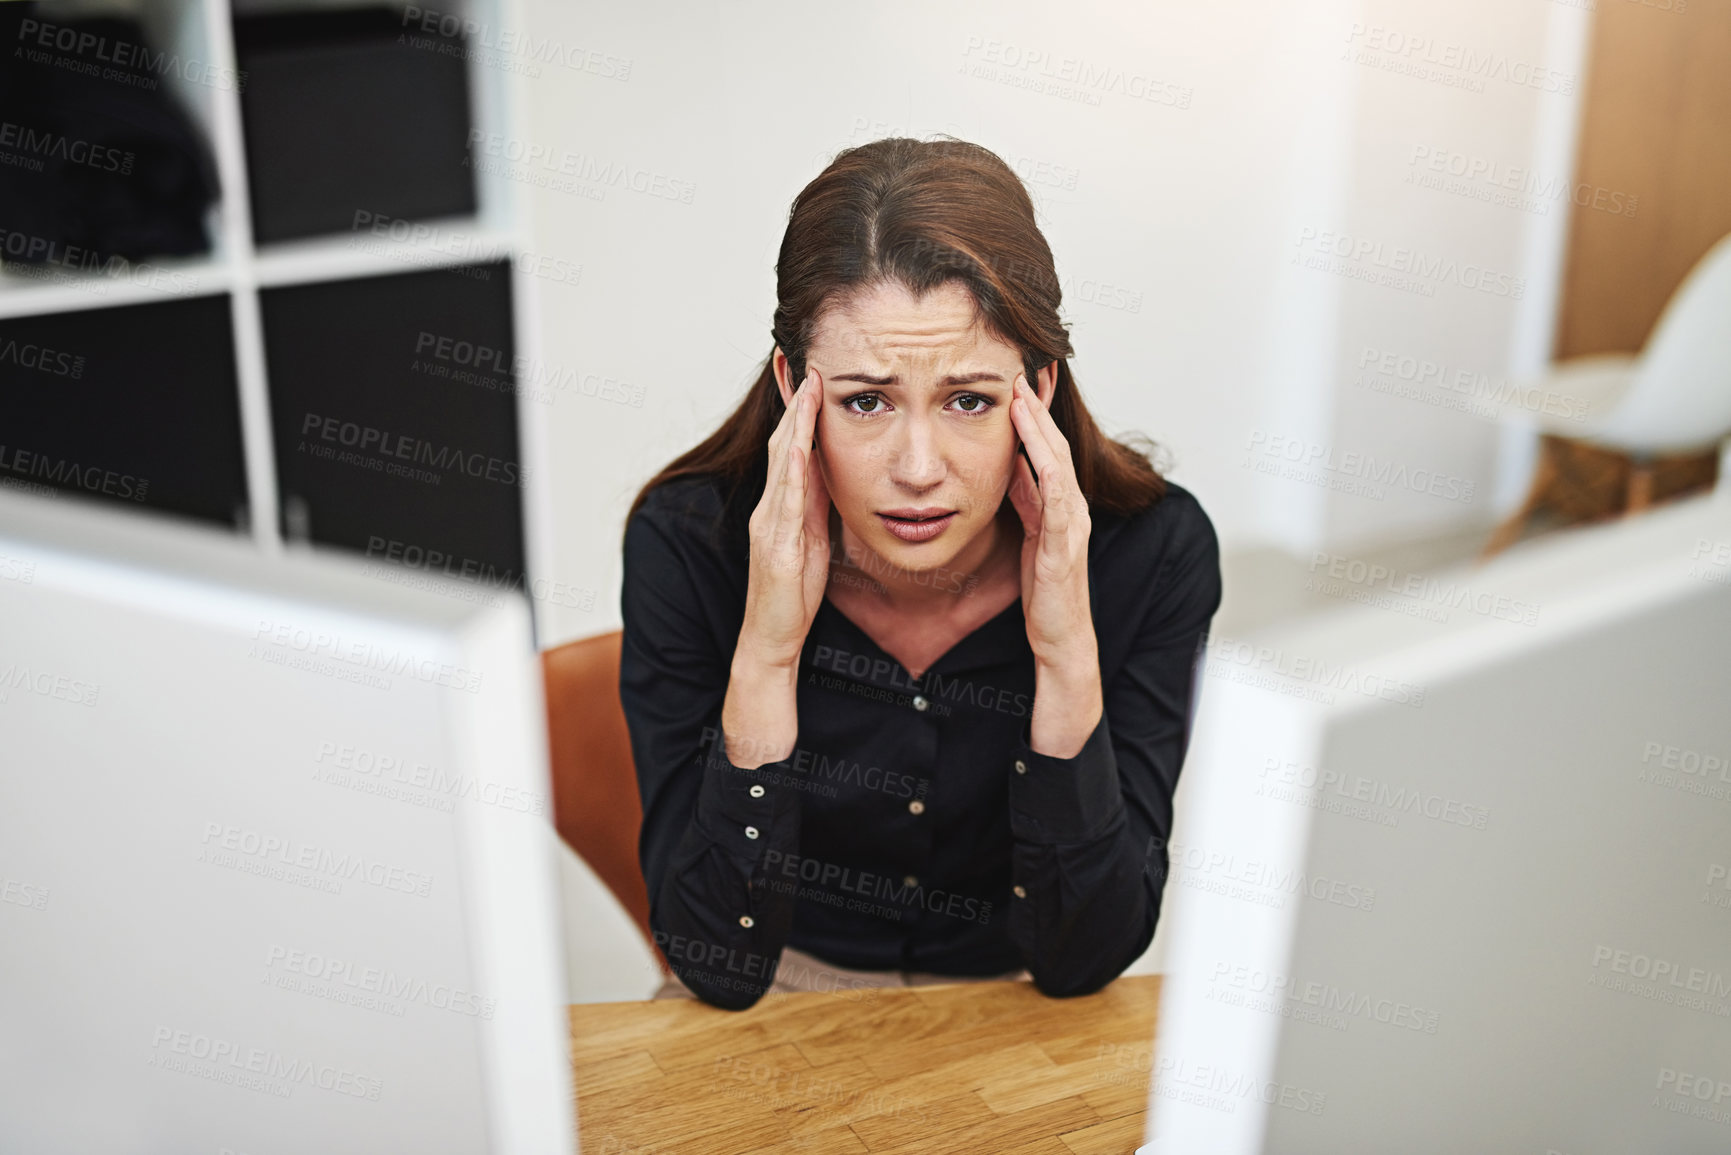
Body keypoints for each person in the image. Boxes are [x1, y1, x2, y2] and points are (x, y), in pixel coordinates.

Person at [618, 137, 1221, 1010]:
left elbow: (1083, 957)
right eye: (866, 400)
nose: (917, 467)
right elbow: (715, 960)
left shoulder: (1150, 552)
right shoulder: (690, 543)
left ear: (1039, 389)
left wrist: (1064, 654)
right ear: (794, 386)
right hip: (778, 987)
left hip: (1014, 998)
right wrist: (768, 651)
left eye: (968, 401)